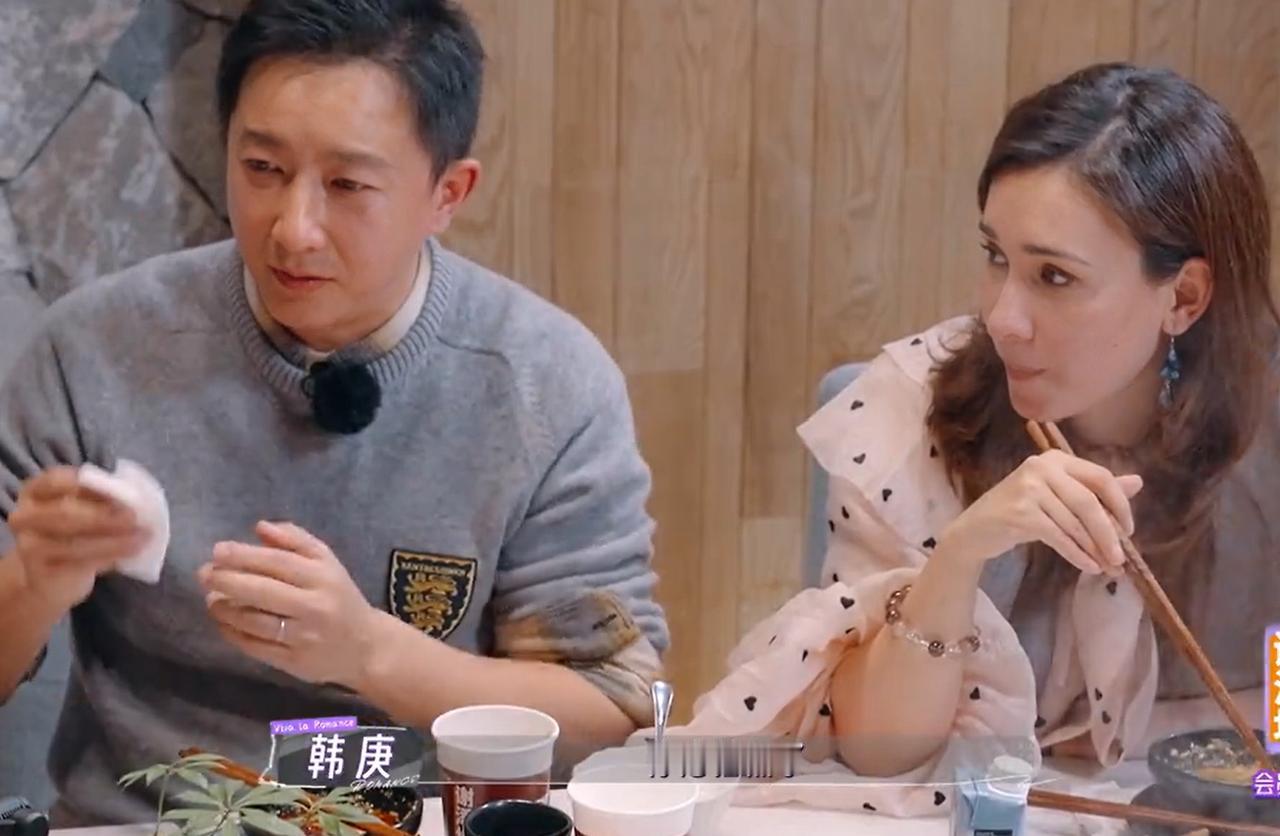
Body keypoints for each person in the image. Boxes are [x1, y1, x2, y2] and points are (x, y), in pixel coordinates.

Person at [0, 0, 668, 824]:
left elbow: (611, 710)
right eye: (262, 169)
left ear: (447, 193)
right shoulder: (93, 351)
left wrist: (369, 651)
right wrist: (35, 580)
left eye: (348, 185)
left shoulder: (544, 382)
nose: (294, 230)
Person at [680, 63, 1280, 816]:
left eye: (1054, 277)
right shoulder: (913, 412)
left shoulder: (1265, 433)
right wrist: (962, 554)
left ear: (1184, 297)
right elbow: (878, 751)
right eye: (997, 258)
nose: (1002, 319)